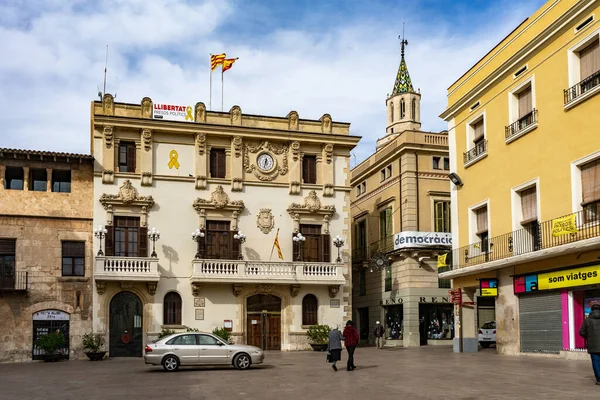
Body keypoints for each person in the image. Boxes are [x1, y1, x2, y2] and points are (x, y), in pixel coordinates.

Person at [580, 303, 600, 385]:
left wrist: (589, 337)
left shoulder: (587, 320)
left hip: (593, 345)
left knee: (596, 362)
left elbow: (582, 332)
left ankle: (599, 379)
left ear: (591, 310)